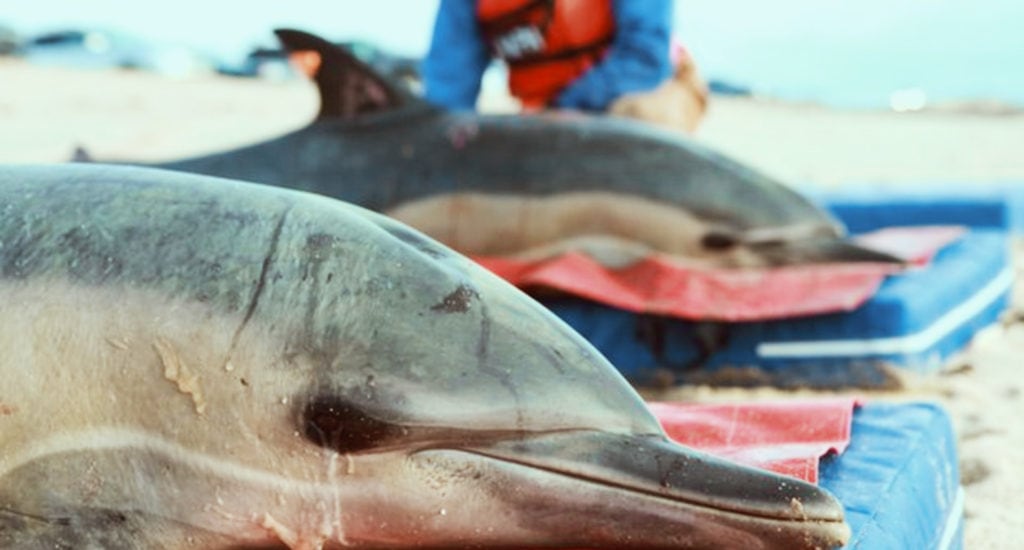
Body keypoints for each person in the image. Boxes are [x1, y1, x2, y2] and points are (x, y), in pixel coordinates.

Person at [422, 0, 676, 114]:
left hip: (645, 91)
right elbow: (448, 96)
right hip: (543, 117)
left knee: (638, 114)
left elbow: (646, 59)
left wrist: (567, 107)